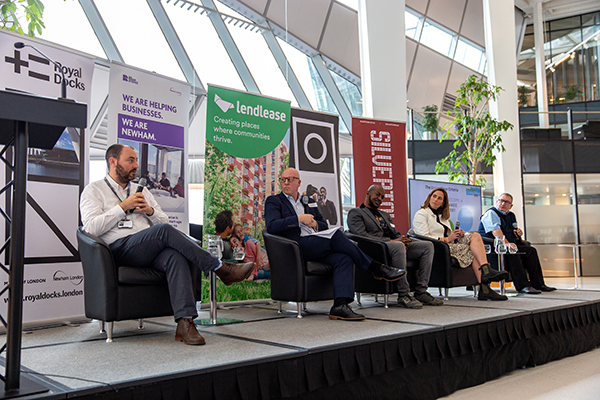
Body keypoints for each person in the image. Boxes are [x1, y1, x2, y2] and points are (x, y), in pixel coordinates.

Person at [80, 144, 255, 346]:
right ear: (113, 161)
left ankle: (185, 323)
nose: (136, 165)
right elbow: (91, 228)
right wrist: (122, 208)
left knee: (175, 256)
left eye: (136, 160)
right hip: (119, 250)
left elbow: (165, 223)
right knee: (163, 233)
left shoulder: (143, 190)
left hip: (148, 248)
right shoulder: (94, 190)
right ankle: (219, 268)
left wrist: (150, 212)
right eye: (130, 160)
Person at [265, 168, 406, 321]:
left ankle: (340, 305)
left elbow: (323, 225)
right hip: (295, 246)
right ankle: (376, 268)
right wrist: (299, 219)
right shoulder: (274, 201)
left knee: (343, 257)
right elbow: (272, 226)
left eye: (290, 179)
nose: (286, 182)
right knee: (337, 236)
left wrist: (315, 225)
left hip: (315, 242)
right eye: (283, 179)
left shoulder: (309, 201)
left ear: (298, 182)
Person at [348, 184, 443, 308]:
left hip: (394, 245)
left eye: (382, 197)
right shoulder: (356, 212)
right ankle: (404, 294)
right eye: (377, 194)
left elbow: (395, 233)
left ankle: (421, 291)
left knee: (427, 246)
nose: (380, 199)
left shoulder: (384, 215)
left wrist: (404, 240)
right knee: (398, 245)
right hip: (376, 249)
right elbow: (361, 236)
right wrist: (393, 241)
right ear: (368, 193)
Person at [412, 188, 509, 301]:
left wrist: (457, 235)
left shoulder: (442, 217)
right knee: (472, 251)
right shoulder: (422, 214)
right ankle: (485, 281)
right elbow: (424, 236)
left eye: (439, 198)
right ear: (429, 198)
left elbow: (449, 236)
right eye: (434, 196)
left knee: (475, 236)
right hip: (436, 248)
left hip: (448, 244)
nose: (436, 200)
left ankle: (485, 279)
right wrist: (447, 239)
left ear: (443, 202)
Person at [478, 193, 556, 294]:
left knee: (531, 251)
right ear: (497, 202)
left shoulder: (511, 215)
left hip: (507, 245)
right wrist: (507, 244)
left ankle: (538, 284)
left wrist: (517, 234)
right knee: (512, 252)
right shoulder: (491, 213)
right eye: (501, 200)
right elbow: (496, 231)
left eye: (506, 202)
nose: (502, 203)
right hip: (492, 247)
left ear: (511, 205)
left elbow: (511, 232)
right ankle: (522, 286)